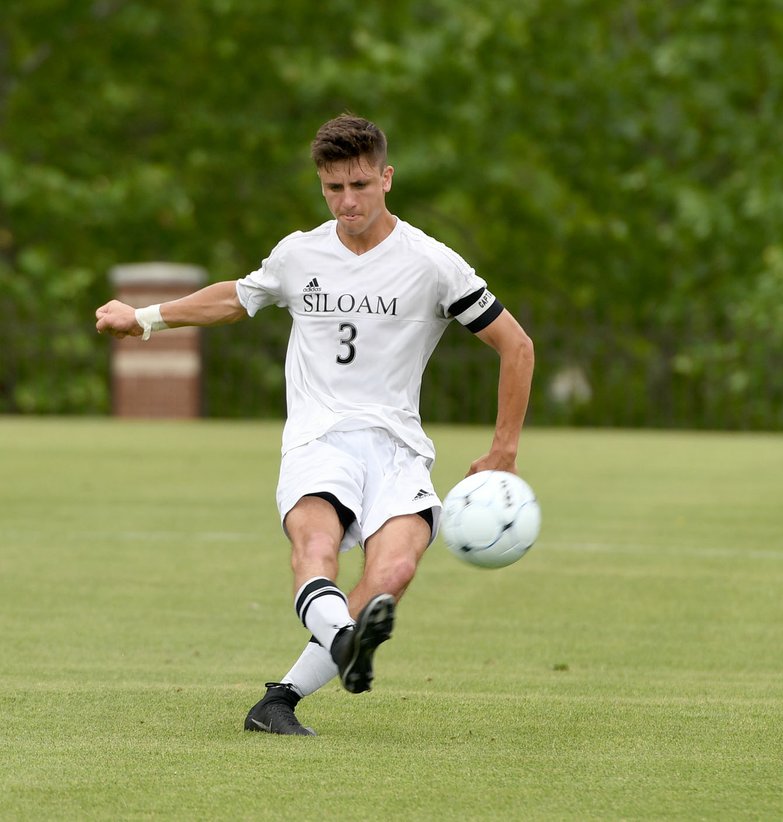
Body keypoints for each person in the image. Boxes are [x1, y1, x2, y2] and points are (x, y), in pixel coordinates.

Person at [96, 114, 534, 736]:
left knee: (393, 575)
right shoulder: (300, 253)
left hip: (399, 449)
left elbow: (516, 347)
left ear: (386, 178)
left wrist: (504, 451)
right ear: (321, 186)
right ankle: (344, 639)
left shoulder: (432, 264)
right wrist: (143, 318)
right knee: (317, 548)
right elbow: (234, 299)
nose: (347, 201)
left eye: (360, 185)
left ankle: (278, 703)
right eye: (334, 189)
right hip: (318, 438)